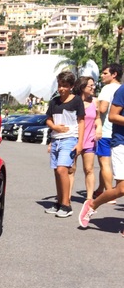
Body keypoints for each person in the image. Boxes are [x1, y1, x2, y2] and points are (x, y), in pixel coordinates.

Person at [79, 84, 124, 232]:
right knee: (122, 188)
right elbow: (112, 116)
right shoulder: (122, 90)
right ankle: (92, 204)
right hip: (121, 142)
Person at [44, 71, 85, 218]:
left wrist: (80, 143)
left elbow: (81, 121)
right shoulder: (54, 101)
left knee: (63, 170)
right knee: (57, 171)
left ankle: (67, 205)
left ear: (72, 86)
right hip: (56, 139)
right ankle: (59, 201)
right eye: (60, 85)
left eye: (65, 86)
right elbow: (48, 119)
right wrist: (54, 128)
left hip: (70, 139)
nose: (61, 89)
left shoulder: (77, 101)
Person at [68, 77, 100, 200]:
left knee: (89, 169)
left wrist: (99, 129)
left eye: (94, 85)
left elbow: (97, 118)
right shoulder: (74, 101)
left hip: (89, 139)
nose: (93, 88)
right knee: (71, 169)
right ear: (82, 87)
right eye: (90, 86)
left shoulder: (95, 101)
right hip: (73, 139)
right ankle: (67, 197)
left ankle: (89, 199)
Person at [94, 63, 122, 204]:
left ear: (114, 74)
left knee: (104, 163)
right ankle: (100, 188)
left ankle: (110, 193)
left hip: (106, 131)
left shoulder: (107, 88)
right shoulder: (120, 88)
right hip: (119, 132)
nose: (102, 76)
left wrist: (95, 103)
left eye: (105, 73)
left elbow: (103, 108)